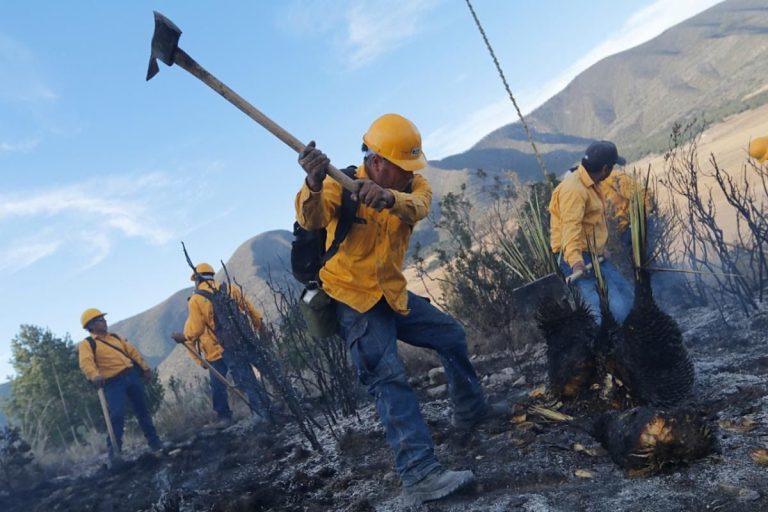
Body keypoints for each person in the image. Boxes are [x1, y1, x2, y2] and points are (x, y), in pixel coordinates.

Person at [295, 113, 505, 505]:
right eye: (400, 167)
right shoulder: (338, 186)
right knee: (388, 377)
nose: (409, 173)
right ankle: (420, 474)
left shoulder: (412, 185)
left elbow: (419, 205)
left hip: (392, 293)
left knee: (450, 335)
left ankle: (471, 411)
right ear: (376, 162)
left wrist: (389, 197)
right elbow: (311, 218)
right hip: (354, 298)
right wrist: (313, 181)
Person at [171, 263, 270, 428]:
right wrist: (261, 326)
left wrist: (187, 343)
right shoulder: (230, 289)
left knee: (237, 382)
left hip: (220, 352)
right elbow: (249, 308)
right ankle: (280, 402)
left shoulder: (196, 300)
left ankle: (256, 414)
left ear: (197, 279)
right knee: (259, 372)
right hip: (242, 340)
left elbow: (193, 332)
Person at [549, 141, 634, 323]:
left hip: (592, 253)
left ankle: (629, 339)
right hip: (575, 257)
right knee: (608, 309)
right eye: (612, 166)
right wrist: (576, 263)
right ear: (605, 169)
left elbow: (589, 223)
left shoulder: (592, 183)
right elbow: (570, 230)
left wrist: (598, 248)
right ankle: (604, 347)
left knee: (626, 296)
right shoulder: (574, 190)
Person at [78, 308, 165, 458]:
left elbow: (132, 353)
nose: (104, 321)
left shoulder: (115, 337)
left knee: (143, 410)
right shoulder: (88, 344)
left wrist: (144, 368)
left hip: (131, 375)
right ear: (91, 325)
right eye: (100, 320)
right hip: (113, 382)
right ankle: (114, 453)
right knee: (117, 415)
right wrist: (94, 375)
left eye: (103, 319)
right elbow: (86, 362)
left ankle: (155, 443)